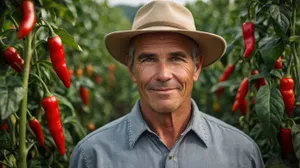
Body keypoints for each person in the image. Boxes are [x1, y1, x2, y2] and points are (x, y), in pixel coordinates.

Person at [69, 0, 264, 167]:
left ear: (196, 67)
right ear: (131, 69)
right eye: (148, 59)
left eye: (177, 58)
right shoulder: (92, 156)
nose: (163, 74)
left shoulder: (241, 154)